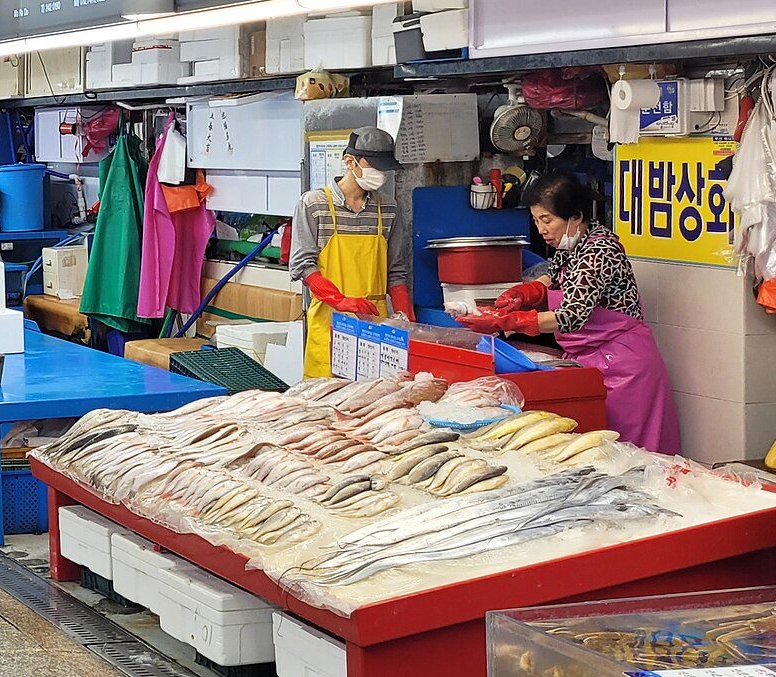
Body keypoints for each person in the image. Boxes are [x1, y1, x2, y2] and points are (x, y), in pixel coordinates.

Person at [456, 174, 681, 454]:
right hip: (592, 361)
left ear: (574, 216)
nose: (541, 230)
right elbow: (552, 278)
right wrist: (525, 293)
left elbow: (571, 316)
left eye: (547, 220)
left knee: (633, 456)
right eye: (536, 221)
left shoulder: (599, 249)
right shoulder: (570, 245)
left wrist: (511, 321)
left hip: (625, 368)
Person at [289, 126, 415, 379]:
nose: (379, 174)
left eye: (383, 168)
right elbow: (302, 265)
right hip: (330, 321)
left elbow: (396, 272)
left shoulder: (389, 209)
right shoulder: (313, 204)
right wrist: (340, 300)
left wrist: (407, 320)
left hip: (375, 326)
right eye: (373, 166)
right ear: (349, 161)